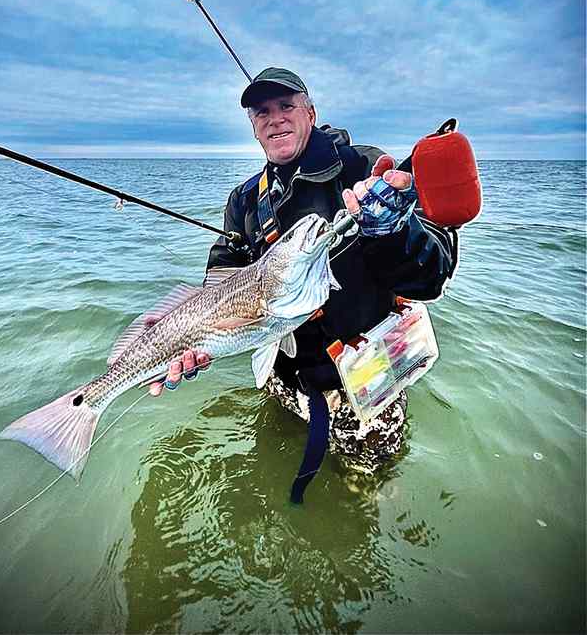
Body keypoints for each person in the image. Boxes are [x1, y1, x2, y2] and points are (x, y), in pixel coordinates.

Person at [150, 67, 454, 472]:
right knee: (271, 477)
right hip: (283, 378)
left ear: (310, 112)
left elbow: (434, 274)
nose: (274, 118)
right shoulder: (243, 200)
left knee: (364, 494)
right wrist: (182, 327)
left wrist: (395, 231)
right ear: (254, 128)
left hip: (368, 377)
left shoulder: (367, 169)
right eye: (262, 112)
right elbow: (223, 272)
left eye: (286, 105)